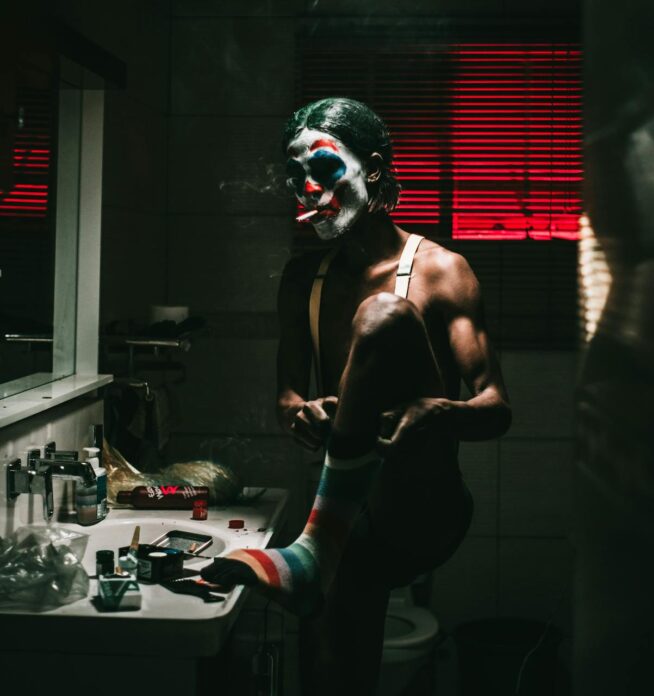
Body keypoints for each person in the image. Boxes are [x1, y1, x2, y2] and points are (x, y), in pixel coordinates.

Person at [201, 97, 511, 694]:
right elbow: (287, 396)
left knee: (385, 315)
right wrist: (302, 412)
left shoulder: (442, 270)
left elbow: (497, 406)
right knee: (332, 673)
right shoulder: (303, 281)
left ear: (371, 169)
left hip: (426, 503)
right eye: (295, 178)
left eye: (322, 169)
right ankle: (322, 553)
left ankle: (316, 546)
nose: (307, 190)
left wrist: (435, 412)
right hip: (356, 516)